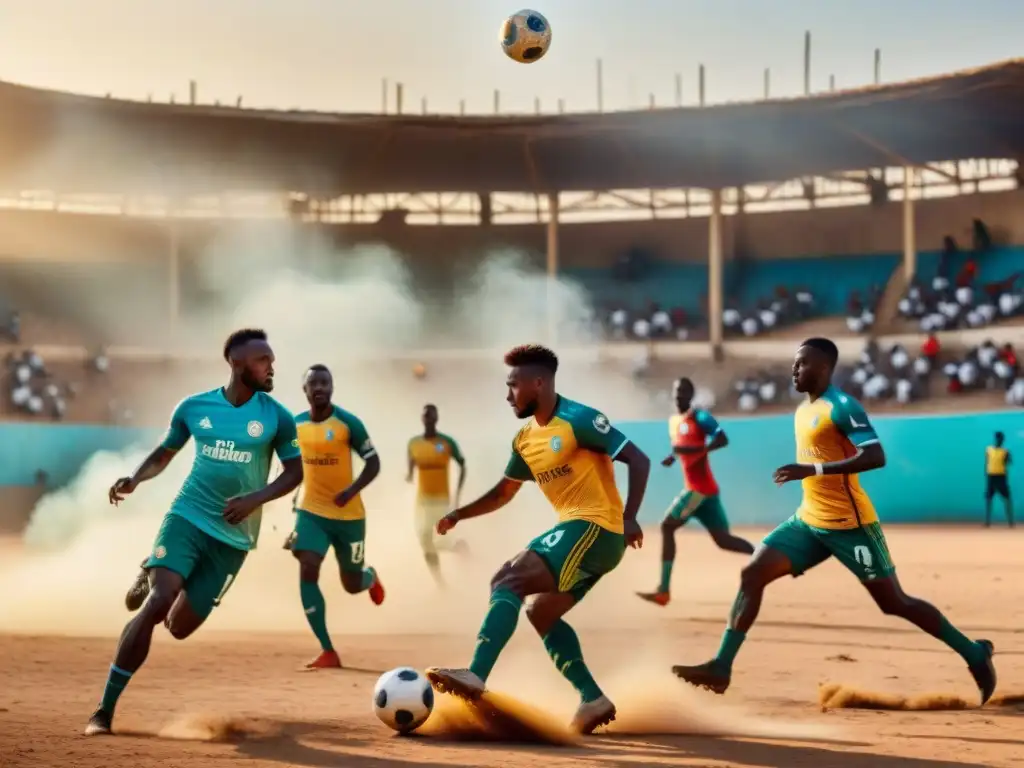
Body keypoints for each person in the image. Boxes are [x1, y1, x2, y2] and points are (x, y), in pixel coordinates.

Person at [671, 337, 997, 706]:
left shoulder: (842, 407)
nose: (795, 369)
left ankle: (973, 653)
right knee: (752, 574)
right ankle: (721, 667)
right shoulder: (802, 410)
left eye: (803, 363)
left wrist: (813, 468)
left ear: (824, 367)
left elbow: (875, 456)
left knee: (894, 602)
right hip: (808, 521)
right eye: (795, 363)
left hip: (850, 525)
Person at [85, 329, 304, 736]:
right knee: (157, 602)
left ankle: (152, 566)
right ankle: (104, 710)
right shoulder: (193, 407)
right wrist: (134, 479)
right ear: (237, 364)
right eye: (263, 360)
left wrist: (256, 498)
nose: (271, 366)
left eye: (271, 359)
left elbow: (295, 472)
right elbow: (165, 453)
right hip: (187, 516)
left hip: (233, 538)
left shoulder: (277, 416)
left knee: (178, 626)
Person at [424, 344, 651, 735]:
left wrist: (630, 518)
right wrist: (459, 514)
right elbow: (503, 493)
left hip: (594, 528)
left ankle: (476, 674)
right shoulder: (525, 439)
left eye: (513, 385)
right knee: (540, 612)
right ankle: (592, 697)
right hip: (585, 536)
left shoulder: (579, 419)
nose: (507, 394)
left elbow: (639, 459)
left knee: (507, 580)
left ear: (539, 383)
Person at [286, 364, 385, 670]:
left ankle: (370, 577)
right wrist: (291, 502)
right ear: (304, 390)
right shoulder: (294, 426)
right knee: (308, 567)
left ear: (332, 387)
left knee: (351, 584)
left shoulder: (348, 424)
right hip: (310, 511)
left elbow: (373, 463)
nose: (319, 387)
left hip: (348, 516)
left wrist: (351, 491)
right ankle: (328, 650)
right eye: (313, 383)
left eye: (324, 382)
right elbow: (288, 467)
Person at [637, 377, 754, 606]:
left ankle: (663, 590)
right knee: (723, 540)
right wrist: (674, 456)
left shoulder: (700, 417)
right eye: (676, 391)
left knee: (667, 526)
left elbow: (722, 438)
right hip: (707, 492)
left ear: (691, 395)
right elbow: (681, 446)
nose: (678, 396)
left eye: (683, 392)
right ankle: (764, 554)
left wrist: (699, 450)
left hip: (698, 490)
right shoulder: (674, 422)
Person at [406, 403, 467, 582]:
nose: (429, 419)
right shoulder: (414, 443)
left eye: (432, 416)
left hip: (441, 500)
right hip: (422, 501)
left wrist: (458, 492)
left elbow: (462, 464)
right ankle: (439, 581)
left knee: (439, 539)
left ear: (436, 418)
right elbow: (411, 461)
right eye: (426, 416)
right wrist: (409, 475)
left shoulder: (447, 443)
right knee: (424, 540)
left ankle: (459, 547)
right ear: (422, 419)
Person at [984, 432, 1013, 528]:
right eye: (998, 439)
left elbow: (1009, 462)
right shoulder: (988, 450)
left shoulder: (1005, 451)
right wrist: (987, 474)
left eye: (1001, 439)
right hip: (991, 476)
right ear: (995, 439)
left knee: (1007, 499)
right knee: (988, 499)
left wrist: (1008, 458)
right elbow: (987, 462)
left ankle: (1010, 522)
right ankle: (987, 522)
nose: (1000, 441)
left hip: (1001, 477)